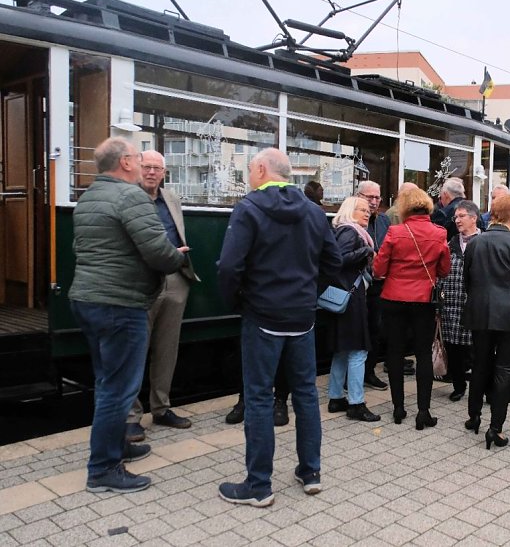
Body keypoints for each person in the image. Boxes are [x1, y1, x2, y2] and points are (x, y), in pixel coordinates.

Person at [217, 148, 342, 506]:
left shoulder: (249, 208)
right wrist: (308, 294)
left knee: (258, 397)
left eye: (250, 169)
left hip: (262, 318)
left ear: (260, 169)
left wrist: (239, 302)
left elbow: (228, 267)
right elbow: (333, 263)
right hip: (302, 318)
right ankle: (310, 472)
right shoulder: (314, 212)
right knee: (305, 393)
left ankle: (258, 485)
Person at [69, 137, 188, 493]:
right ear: (125, 162)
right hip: (120, 303)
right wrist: (177, 255)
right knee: (118, 390)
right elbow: (159, 253)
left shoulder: (90, 196)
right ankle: (103, 469)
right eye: (138, 158)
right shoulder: (130, 196)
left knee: (107, 381)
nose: (142, 165)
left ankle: (117, 445)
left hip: (89, 299)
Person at [125, 150, 199, 443]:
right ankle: (131, 417)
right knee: (135, 350)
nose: (152, 172)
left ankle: (161, 407)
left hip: (175, 278)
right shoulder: (127, 199)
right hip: (142, 280)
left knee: (167, 348)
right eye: (147, 166)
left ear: (164, 173)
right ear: (137, 168)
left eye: (157, 168)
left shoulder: (172, 200)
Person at [462, 195, 510, 449]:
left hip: (480, 312)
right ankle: (496, 428)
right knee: (505, 369)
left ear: (490, 214)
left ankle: (473, 416)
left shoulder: (475, 243)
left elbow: (467, 280)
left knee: (480, 363)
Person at [373, 186, 451, 429]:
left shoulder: (395, 232)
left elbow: (378, 269)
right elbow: (444, 270)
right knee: (422, 355)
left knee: (394, 353)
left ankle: (398, 409)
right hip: (423, 301)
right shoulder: (439, 233)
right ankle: (423, 412)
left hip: (394, 299)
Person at [321, 196, 381, 422]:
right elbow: (339, 259)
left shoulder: (345, 230)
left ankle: (336, 397)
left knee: (342, 349)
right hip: (351, 298)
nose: (368, 213)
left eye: (368, 210)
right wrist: (365, 252)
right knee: (358, 350)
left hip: (345, 297)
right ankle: (356, 403)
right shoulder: (351, 232)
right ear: (349, 211)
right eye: (362, 209)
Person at [439, 199, 481, 402]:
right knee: (453, 348)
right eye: (455, 216)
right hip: (452, 305)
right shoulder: (450, 243)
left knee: (476, 348)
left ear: (474, 218)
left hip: (475, 305)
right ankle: (458, 385)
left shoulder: (484, 242)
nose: (457, 220)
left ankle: (480, 385)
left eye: (461, 216)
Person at [357, 180, 392, 389]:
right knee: (357, 332)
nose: (373, 201)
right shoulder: (352, 221)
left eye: (377, 197)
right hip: (358, 285)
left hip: (380, 285)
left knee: (375, 329)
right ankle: (352, 376)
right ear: (358, 196)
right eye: (369, 197)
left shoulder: (384, 221)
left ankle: (369, 371)